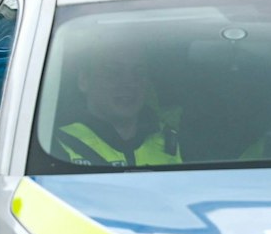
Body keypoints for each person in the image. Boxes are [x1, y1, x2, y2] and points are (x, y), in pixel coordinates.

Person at [52, 49, 180, 166]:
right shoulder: (55, 144)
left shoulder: (175, 140)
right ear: (84, 80)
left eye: (139, 73)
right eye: (113, 72)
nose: (129, 83)